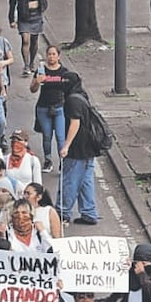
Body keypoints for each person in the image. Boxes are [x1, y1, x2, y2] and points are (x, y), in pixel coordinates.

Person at [57, 73, 100, 226]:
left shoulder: (72, 100)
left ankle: (62, 212)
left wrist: (66, 146)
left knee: (70, 180)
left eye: (64, 81)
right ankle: (89, 212)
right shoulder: (82, 96)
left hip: (77, 148)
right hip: (89, 147)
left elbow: (74, 123)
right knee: (86, 181)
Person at [30, 45, 68, 174]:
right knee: (47, 136)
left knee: (60, 136)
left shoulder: (64, 71)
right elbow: (32, 89)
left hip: (59, 107)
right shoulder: (41, 70)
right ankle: (48, 160)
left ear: (58, 56)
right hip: (43, 107)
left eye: (53, 54)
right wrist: (37, 81)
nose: (51, 57)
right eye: (49, 54)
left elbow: (69, 88)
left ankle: (63, 162)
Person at [8, 0, 47, 76]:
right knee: (26, 40)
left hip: (36, 15)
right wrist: (11, 19)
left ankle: (31, 62)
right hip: (24, 16)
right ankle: (26, 65)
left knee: (34, 40)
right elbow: (12, 3)